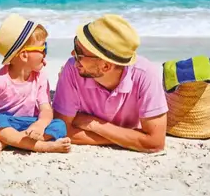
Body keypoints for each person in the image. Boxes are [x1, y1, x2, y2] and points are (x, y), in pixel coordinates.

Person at [52, 14, 168, 153]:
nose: (72, 54)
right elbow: (61, 130)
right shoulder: (73, 69)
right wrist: (127, 137)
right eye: (75, 44)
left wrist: (94, 124)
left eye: (79, 52)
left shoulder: (145, 75)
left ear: (106, 66)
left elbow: (155, 143)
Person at [0, 14, 71, 155]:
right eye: (43, 49)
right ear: (24, 55)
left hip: (28, 125)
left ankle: (8, 142)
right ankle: (41, 146)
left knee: (59, 125)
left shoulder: (40, 78)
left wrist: (39, 125)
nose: (45, 53)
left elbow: (46, 109)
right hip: (3, 123)